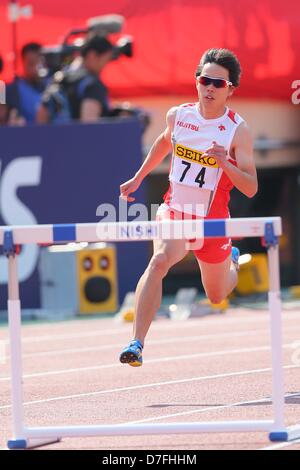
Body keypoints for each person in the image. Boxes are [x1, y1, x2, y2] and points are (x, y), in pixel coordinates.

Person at [119, 48, 258, 367]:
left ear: (230, 90)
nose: (209, 88)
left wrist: (225, 163)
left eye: (218, 84)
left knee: (216, 295)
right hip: (175, 212)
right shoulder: (178, 116)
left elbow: (250, 188)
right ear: (197, 81)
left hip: (212, 223)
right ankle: (137, 343)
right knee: (158, 262)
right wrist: (139, 178)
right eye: (204, 80)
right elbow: (165, 142)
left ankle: (232, 262)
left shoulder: (238, 130)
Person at [5, 42, 46, 125]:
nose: (35, 69)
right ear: (23, 62)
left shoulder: (53, 88)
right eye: (31, 64)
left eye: (39, 64)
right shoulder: (8, 91)